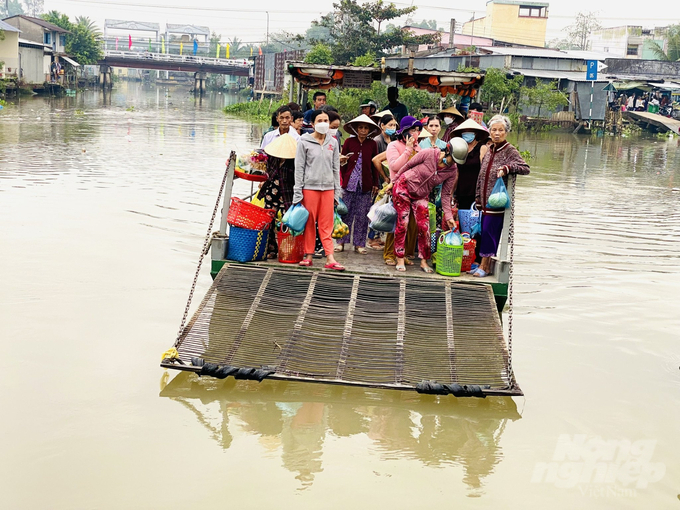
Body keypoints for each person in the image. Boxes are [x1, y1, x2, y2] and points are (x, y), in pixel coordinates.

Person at [391, 141, 464, 273]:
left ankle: (424, 261)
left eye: (456, 161)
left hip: (421, 194)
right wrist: (394, 181)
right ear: (448, 151)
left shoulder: (452, 171)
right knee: (403, 223)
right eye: (452, 159)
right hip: (404, 186)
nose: (453, 162)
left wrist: (448, 217)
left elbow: (446, 195)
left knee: (425, 226)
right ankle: (400, 257)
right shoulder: (429, 153)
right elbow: (408, 165)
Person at [473, 115, 530, 278]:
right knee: (484, 232)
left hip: (497, 201)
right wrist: (477, 198)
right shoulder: (490, 150)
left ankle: (485, 266)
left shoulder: (509, 150)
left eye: (501, 130)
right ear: (489, 132)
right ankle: (484, 264)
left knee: (490, 232)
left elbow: (525, 168)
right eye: (494, 130)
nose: (497, 133)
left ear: (506, 132)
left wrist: (507, 168)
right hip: (484, 201)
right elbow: (481, 175)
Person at [294, 110, 345, 271]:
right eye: (319, 120)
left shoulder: (333, 142)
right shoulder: (304, 141)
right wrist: (298, 192)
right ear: (313, 123)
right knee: (309, 222)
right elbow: (299, 168)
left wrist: (337, 191)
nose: (323, 123)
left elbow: (336, 168)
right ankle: (308, 256)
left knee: (326, 224)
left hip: (328, 188)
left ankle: (330, 257)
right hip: (309, 188)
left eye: (326, 120)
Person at [336, 115, 381, 254]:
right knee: (346, 213)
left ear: (369, 130)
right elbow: (342, 162)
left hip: (365, 183)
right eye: (360, 127)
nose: (363, 130)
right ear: (356, 129)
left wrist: (375, 183)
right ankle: (341, 242)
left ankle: (359, 244)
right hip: (349, 183)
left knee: (362, 216)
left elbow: (375, 165)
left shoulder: (372, 144)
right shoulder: (349, 141)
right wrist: (341, 180)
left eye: (366, 127)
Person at [382, 116, 422, 266]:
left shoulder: (420, 148)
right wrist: (408, 150)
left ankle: (402, 253)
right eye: (412, 129)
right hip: (398, 190)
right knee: (398, 223)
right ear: (404, 131)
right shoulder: (394, 145)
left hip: (414, 190)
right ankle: (389, 254)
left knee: (411, 224)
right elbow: (395, 166)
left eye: (418, 130)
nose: (415, 133)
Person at [257, 134, 298, 257]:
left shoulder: (294, 161)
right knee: (269, 220)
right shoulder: (272, 158)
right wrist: (263, 181)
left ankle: (286, 249)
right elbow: (268, 172)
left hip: (287, 193)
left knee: (288, 222)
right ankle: (271, 249)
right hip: (271, 192)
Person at [450, 118, 489, 211]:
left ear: (475, 133)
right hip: (462, 190)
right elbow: (456, 173)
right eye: (465, 132)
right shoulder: (459, 149)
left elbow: (484, 170)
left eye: (470, 131)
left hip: (476, 190)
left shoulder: (482, 148)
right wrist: (451, 192)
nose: (467, 134)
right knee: (463, 219)